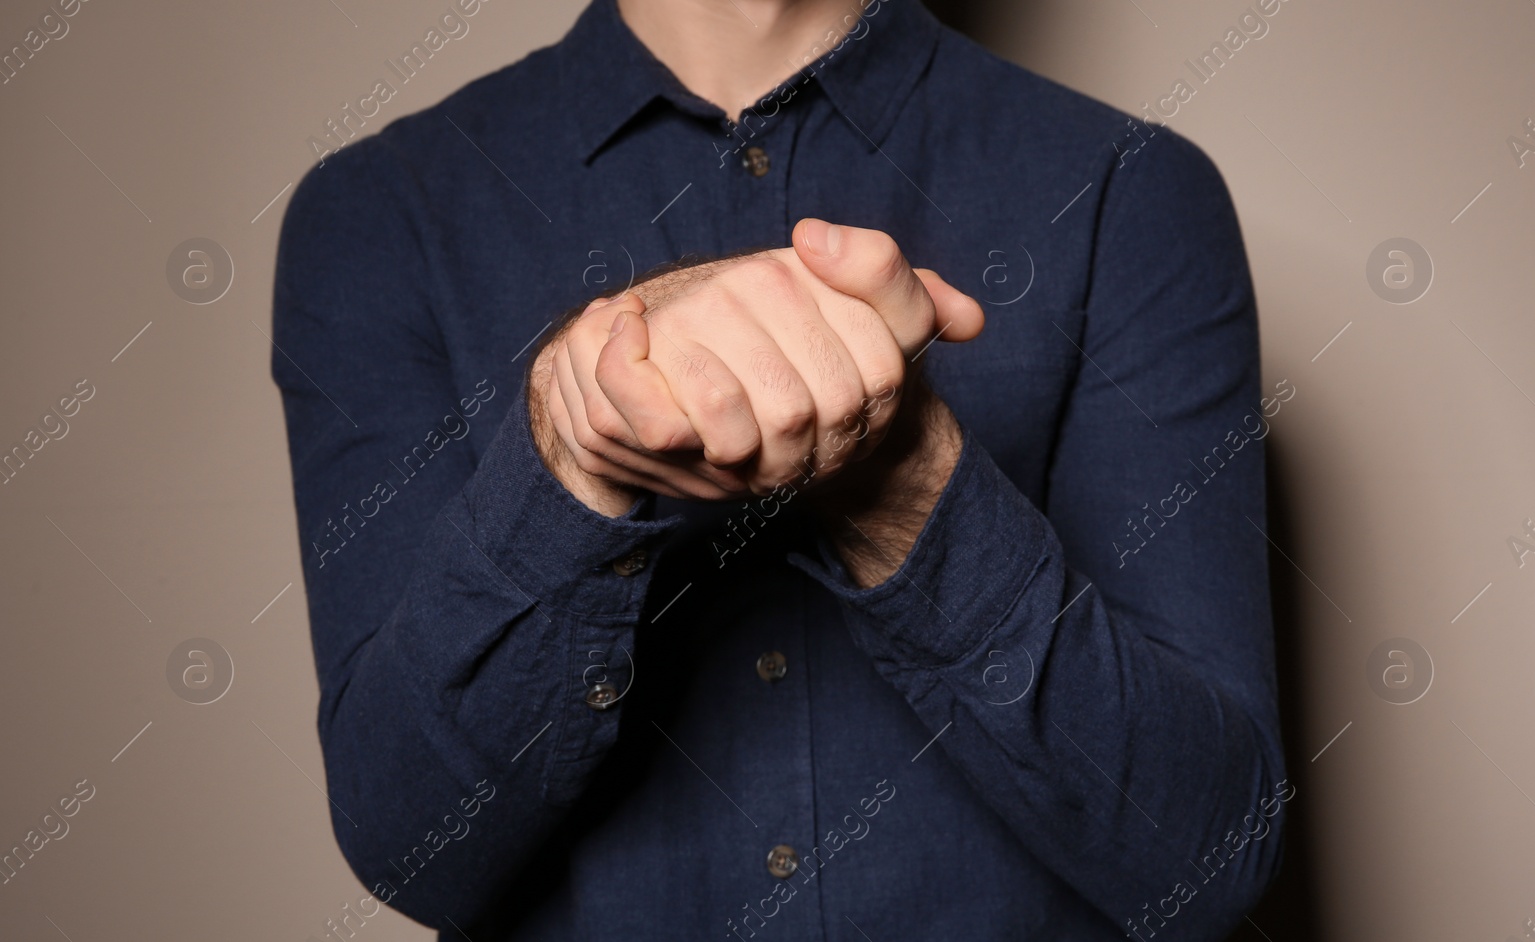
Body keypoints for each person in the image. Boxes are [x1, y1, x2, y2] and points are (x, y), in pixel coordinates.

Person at [271, 0, 1286, 938]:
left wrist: (906, 486)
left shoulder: (1128, 188)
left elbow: (1207, 859)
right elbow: (411, 855)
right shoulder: (375, 214)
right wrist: (568, 471)